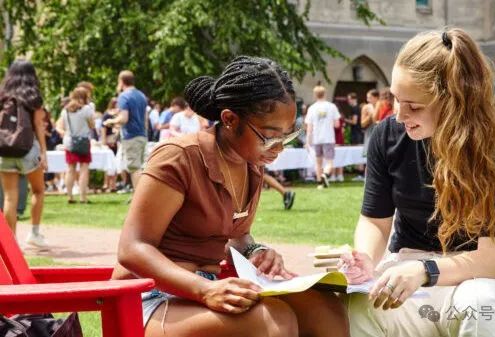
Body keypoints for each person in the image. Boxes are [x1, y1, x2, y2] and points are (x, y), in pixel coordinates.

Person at [111, 56, 348, 337]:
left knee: (325, 309)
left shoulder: (252, 166)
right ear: (229, 119)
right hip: (148, 298)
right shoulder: (179, 157)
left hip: (209, 289)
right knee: (273, 322)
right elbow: (132, 248)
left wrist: (255, 251)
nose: (279, 148)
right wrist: (205, 289)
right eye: (270, 136)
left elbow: (237, 237)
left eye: (288, 136)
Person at [342, 29, 495, 337]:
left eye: (413, 106)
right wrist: (364, 258)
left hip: (475, 276)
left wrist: (425, 272)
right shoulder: (387, 137)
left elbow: (492, 261)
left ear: (454, 102)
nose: (400, 115)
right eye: (397, 100)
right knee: (356, 306)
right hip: (408, 268)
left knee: (483, 307)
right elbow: (375, 220)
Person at [0, 60, 48, 247]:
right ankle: (34, 233)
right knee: (38, 190)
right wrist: (43, 152)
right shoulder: (33, 96)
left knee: (10, 197)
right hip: (27, 150)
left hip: (5, 150)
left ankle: (12, 243)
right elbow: (38, 125)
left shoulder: (3, 96)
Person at [103, 70, 148, 192]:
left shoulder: (124, 96)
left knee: (134, 168)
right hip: (142, 135)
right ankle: (141, 195)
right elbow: (145, 119)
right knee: (142, 167)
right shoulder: (141, 96)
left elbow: (124, 118)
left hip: (131, 136)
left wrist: (110, 122)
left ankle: (139, 197)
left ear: (121, 81)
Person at [56, 87, 95, 204]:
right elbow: (92, 125)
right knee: (84, 169)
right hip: (83, 141)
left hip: (69, 142)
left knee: (70, 169)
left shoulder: (65, 110)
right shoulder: (87, 109)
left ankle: (70, 196)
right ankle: (83, 197)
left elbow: (61, 126)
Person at [305, 85, 341, 189]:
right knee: (329, 161)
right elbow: (337, 124)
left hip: (316, 138)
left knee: (318, 162)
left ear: (315, 95)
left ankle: (320, 183)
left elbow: (309, 128)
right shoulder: (331, 106)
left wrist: (308, 142)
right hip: (328, 137)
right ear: (325, 94)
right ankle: (325, 174)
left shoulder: (312, 108)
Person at [345, 93, 365, 181]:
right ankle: (360, 174)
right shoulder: (358, 108)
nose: (348, 101)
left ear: (353, 99)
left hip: (356, 134)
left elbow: (354, 122)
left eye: (349, 99)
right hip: (358, 133)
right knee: (359, 152)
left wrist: (344, 119)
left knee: (358, 153)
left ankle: (360, 174)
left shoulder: (355, 108)